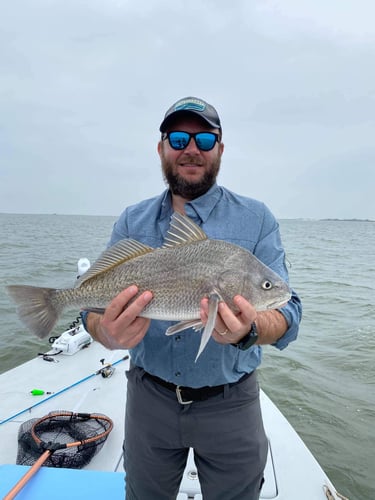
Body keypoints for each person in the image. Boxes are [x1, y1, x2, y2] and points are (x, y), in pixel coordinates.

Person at [82, 96, 302, 500]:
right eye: (179, 138)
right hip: (149, 400)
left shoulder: (257, 219)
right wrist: (106, 332)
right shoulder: (133, 220)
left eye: (204, 139)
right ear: (162, 147)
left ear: (220, 148)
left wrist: (248, 331)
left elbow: (289, 311)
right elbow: (90, 309)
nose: (192, 149)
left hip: (231, 404)